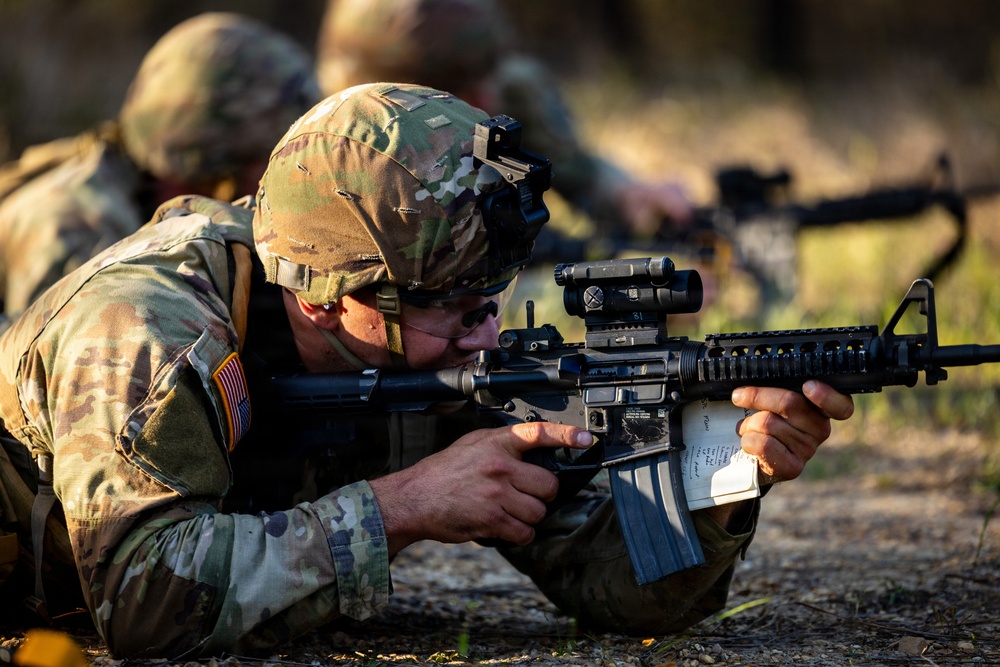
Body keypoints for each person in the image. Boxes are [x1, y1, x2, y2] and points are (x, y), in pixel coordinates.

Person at [0, 83, 853, 658]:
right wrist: (400, 506)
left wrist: (725, 470)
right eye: (458, 307)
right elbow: (139, 601)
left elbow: (626, 588)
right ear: (332, 298)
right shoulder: (147, 331)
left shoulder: (425, 356)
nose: (487, 333)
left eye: (494, 299)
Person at [0, 12, 321, 321]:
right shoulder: (79, 228)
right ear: (214, 163)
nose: (296, 174)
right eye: (275, 158)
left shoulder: (139, 199)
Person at [315, 0, 694, 240]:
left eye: (480, 81)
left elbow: (576, 171)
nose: (484, 99)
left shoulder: (509, 86)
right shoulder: (336, 146)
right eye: (450, 90)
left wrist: (627, 195)